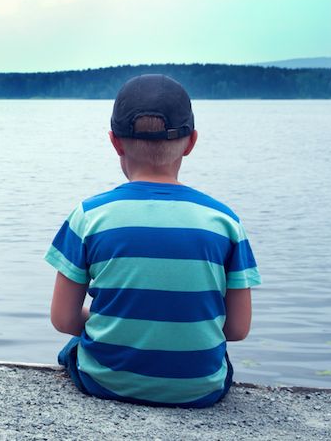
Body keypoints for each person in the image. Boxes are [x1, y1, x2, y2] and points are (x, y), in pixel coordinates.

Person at [44, 74, 261, 408]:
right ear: (191, 143)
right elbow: (237, 329)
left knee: (72, 350)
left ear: (115, 142)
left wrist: (114, 318)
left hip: (105, 381)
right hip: (200, 390)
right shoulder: (225, 222)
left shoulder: (89, 216)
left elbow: (63, 319)